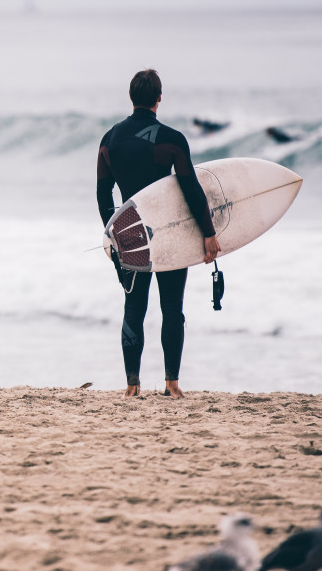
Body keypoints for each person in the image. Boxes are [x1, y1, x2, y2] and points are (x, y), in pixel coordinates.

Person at [96, 69, 220, 399]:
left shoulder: (109, 140)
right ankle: (171, 384)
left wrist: (114, 233)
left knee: (134, 308)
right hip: (167, 235)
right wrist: (208, 233)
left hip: (132, 235)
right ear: (159, 98)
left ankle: (132, 386)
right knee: (172, 309)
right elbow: (191, 189)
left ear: (131, 97)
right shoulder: (171, 139)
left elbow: (103, 193)